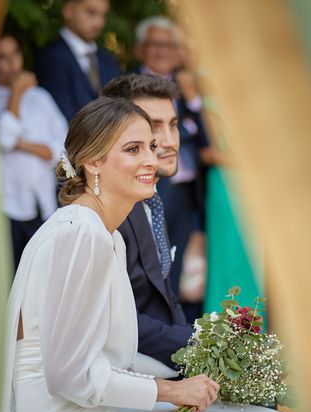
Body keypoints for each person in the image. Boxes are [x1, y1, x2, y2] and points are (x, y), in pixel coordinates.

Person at [0, 97, 301, 412]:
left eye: (151, 147)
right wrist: (174, 392)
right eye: (133, 149)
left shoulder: (105, 235)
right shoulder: (81, 234)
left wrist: (206, 369)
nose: (151, 160)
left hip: (86, 409)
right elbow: (70, 376)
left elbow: (109, 354)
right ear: (93, 162)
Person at [101, 74, 192, 373]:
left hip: (160, 359)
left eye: (174, 125)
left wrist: (204, 350)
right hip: (121, 369)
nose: (168, 141)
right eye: (154, 127)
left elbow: (167, 297)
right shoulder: (106, 214)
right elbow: (112, 320)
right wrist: (196, 346)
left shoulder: (151, 200)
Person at [133, 16, 209, 321]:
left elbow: (208, 138)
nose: (163, 52)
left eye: (170, 45)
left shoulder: (187, 86)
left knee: (186, 263)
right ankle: (157, 323)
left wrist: (194, 99)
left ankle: (180, 323)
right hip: (154, 185)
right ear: (140, 50)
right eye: (156, 45)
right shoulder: (131, 88)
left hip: (190, 190)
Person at [0, 31, 67, 271]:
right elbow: (3, 138)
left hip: (42, 202)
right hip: (6, 205)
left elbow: (61, 148)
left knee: (41, 276)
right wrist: (16, 93)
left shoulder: (41, 97)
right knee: (9, 277)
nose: (12, 63)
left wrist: (21, 144)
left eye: (15, 54)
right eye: (2, 57)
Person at [35, 0, 120, 122]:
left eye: (103, 15)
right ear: (68, 10)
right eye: (91, 12)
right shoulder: (51, 58)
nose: (99, 23)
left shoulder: (109, 61)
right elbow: (60, 118)